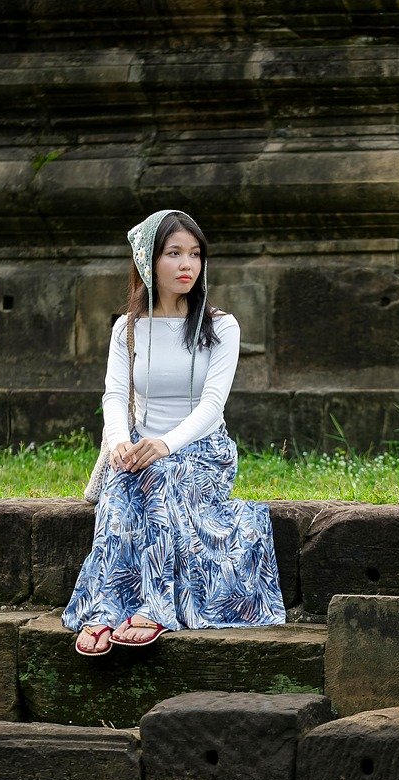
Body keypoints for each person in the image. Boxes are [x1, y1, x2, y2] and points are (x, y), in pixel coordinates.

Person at [64, 209, 286, 655]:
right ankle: (104, 608)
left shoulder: (221, 327)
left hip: (203, 452)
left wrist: (164, 444)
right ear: (148, 261)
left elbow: (211, 406)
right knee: (119, 486)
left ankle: (156, 607)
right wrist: (118, 443)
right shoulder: (127, 329)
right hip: (138, 448)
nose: (188, 265)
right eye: (174, 253)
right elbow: (113, 395)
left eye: (195, 254)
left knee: (159, 475)